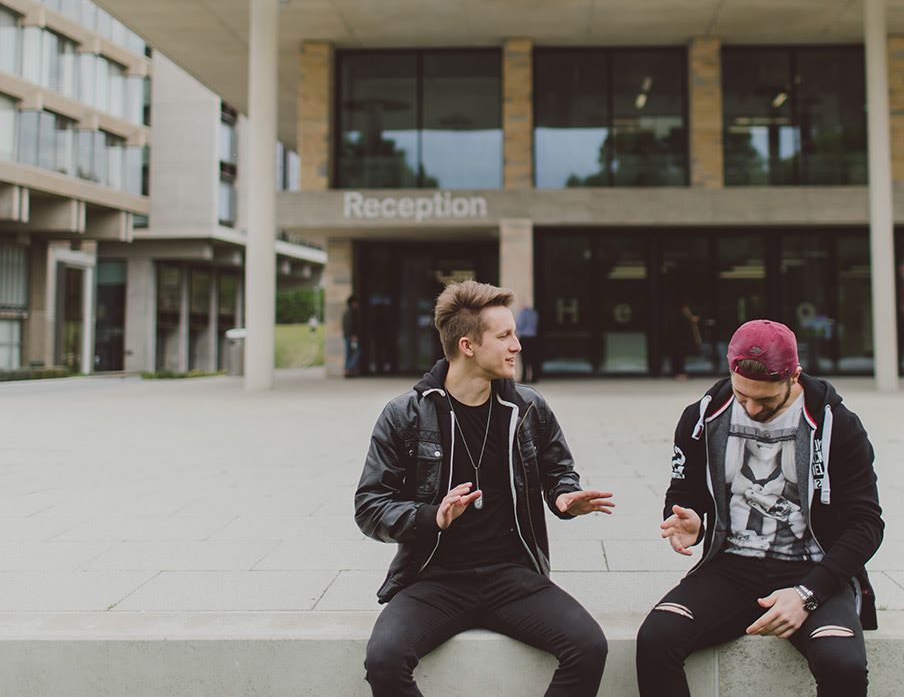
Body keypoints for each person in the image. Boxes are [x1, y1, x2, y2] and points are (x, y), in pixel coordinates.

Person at [356, 279, 613, 697]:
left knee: (588, 646)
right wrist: (431, 516)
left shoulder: (529, 407)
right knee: (384, 660)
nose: (518, 345)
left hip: (512, 575)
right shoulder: (404, 414)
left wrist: (565, 497)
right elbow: (370, 507)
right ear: (467, 345)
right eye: (505, 335)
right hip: (433, 579)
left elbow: (558, 473)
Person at [636, 319, 884, 697]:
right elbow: (683, 489)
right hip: (731, 569)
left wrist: (807, 594)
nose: (751, 407)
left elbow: (866, 524)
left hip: (815, 572)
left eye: (765, 400)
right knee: (656, 639)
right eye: (742, 396)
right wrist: (689, 519)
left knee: (842, 664)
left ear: (794, 376)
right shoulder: (701, 418)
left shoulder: (837, 426)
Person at [515, 301, 540, 383]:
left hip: (525, 337)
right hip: (533, 338)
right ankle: (534, 377)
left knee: (524, 359)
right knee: (533, 358)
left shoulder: (523, 313)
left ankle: (524, 377)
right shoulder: (534, 313)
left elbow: (519, 325)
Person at [342, 294, 362, 377]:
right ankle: (348, 368)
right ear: (353, 303)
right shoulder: (352, 313)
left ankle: (348, 370)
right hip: (352, 337)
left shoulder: (346, 313)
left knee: (349, 354)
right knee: (357, 352)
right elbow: (351, 325)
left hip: (347, 337)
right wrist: (354, 335)